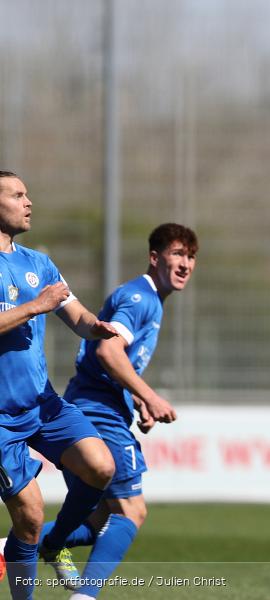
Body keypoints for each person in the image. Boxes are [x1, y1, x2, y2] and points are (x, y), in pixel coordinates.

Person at [34, 223, 197, 599]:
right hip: (97, 412)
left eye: (190, 256)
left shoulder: (150, 300)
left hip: (93, 405)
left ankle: (11, 546)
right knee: (132, 511)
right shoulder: (140, 299)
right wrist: (151, 396)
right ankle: (84, 596)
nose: (185, 263)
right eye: (177, 254)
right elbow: (108, 351)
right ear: (155, 258)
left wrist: (136, 399)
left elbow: (110, 360)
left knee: (98, 522)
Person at [0, 171, 119, 599]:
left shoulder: (38, 264)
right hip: (0, 420)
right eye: (17, 195)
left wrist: (98, 327)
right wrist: (35, 306)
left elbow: (76, 315)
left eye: (27, 193)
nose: (28, 201)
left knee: (101, 466)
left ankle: (56, 543)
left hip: (43, 404)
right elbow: (42, 306)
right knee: (29, 516)